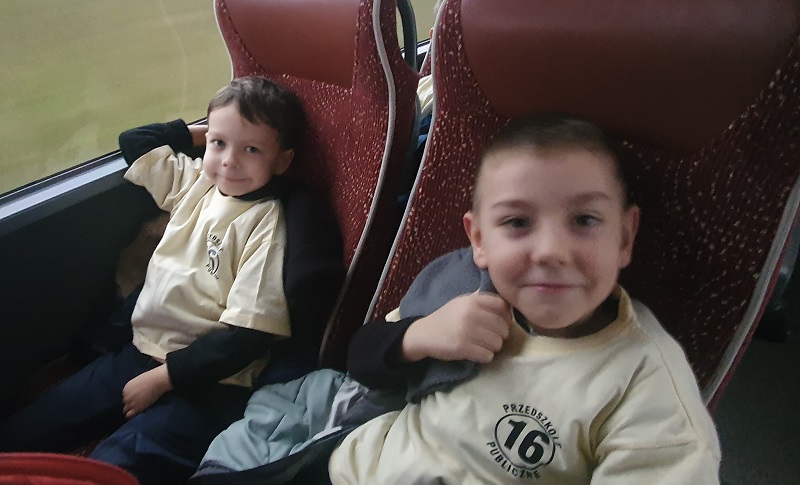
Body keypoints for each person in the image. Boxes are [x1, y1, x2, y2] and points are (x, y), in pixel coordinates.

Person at [328, 113, 722, 483]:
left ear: (624, 237)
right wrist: (421, 335)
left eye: (585, 220)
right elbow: (359, 360)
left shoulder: (646, 389)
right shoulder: (459, 286)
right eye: (518, 222)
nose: (551, 251)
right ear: (479, 240)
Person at [0, 76, 317, 484]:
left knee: (113, 468)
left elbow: (248, 336)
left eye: (251, 149)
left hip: (210, 384)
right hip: (141, 351)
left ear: (282, 161)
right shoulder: (197, 183)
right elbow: (135, 142)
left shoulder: (267, 224)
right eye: (220, 144)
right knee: (26, 429)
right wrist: (204, 133)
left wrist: (164, 379)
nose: (229, 161)